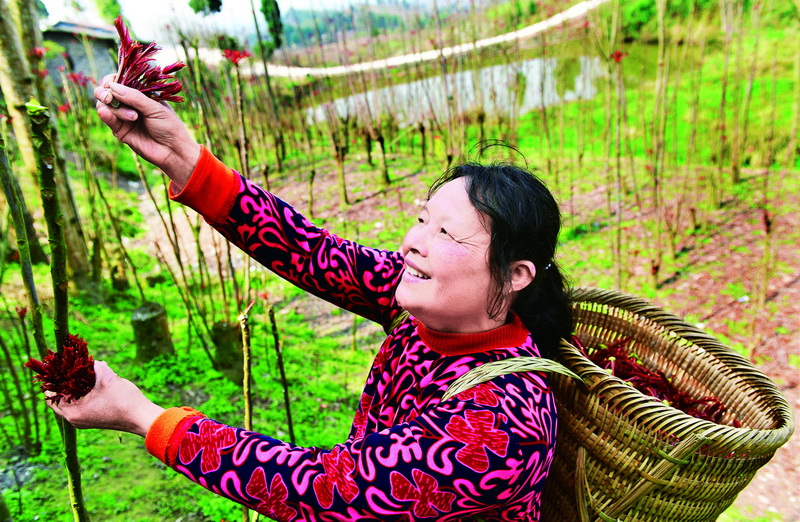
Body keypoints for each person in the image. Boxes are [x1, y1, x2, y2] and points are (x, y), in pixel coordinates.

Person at [47, 78, 572, 521]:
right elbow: (307, 250)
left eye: (447, 234)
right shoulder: (429, 304)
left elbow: (328, 488)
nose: (413, 242)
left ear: (516, 274)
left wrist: (144, 415)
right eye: (421, 220)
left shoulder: (504, 418)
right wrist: (181, 156)